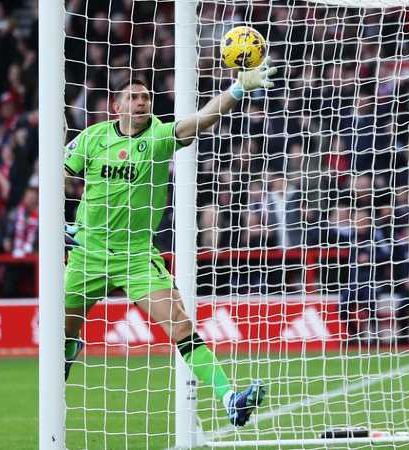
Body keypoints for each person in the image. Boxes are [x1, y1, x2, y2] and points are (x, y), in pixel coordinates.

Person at [63, 61, 276, 427]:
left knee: (179, 327)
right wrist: (61, 224)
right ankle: (68, 352)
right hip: (88, 254)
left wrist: (237, 90)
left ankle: (230, 398)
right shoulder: (93, 137)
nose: (142, 102)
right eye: (133, 97)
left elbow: (200, 120)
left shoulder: (160, 137)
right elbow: (59, 176)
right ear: (117, 106)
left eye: (146, 96)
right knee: (61, 332)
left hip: (137, 256)